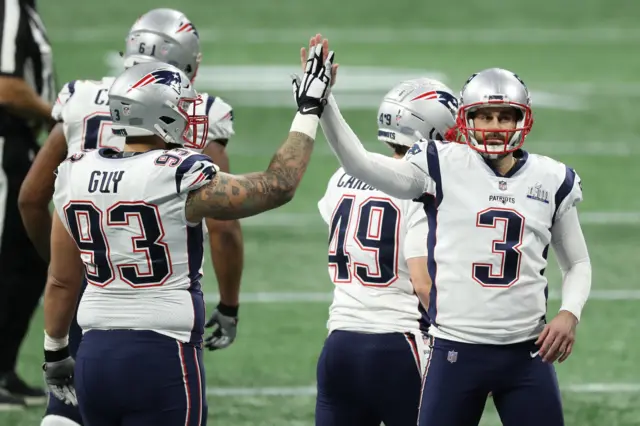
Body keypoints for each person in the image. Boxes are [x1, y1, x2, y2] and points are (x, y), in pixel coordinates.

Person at [41, 45, 333, 425]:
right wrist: (308, 111)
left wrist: (55, 351)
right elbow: (278, 185)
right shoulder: (176, 173)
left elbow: (62, 280)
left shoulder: (74, 172)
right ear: (157, 113)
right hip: (161, 354)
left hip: (94, 355)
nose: (189, 115)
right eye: (181, 106)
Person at [312, 40, 591, 426]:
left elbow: (576, 262)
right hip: (454, 350)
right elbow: (361, 165)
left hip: (527, 353)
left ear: (522, 119)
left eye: (504, 116)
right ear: (466, 120)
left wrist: (569, 313)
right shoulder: (440, 165)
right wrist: (323, 106)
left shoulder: (551, 177)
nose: (494, 126)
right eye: (485, 116)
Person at [18, 8, 242, 425]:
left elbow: (32, 198)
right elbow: (224, 227)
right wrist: (229, 305)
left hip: (93, 291)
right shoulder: (197, 112)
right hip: (156, 306)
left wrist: (66, 264)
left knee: (67, 411)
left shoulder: (81, 98)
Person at [315, 71, 458, 425]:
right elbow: (423, 283)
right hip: (398, 343)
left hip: (340, 343)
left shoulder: (341, 178)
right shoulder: (423, 187)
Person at [0, 0, 56, 408]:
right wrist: (58, 114)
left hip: (19, 146)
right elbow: (5, 86)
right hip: (6, 145)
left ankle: (3, 369)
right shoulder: (9, 10)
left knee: (30, 259)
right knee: (11, 258)